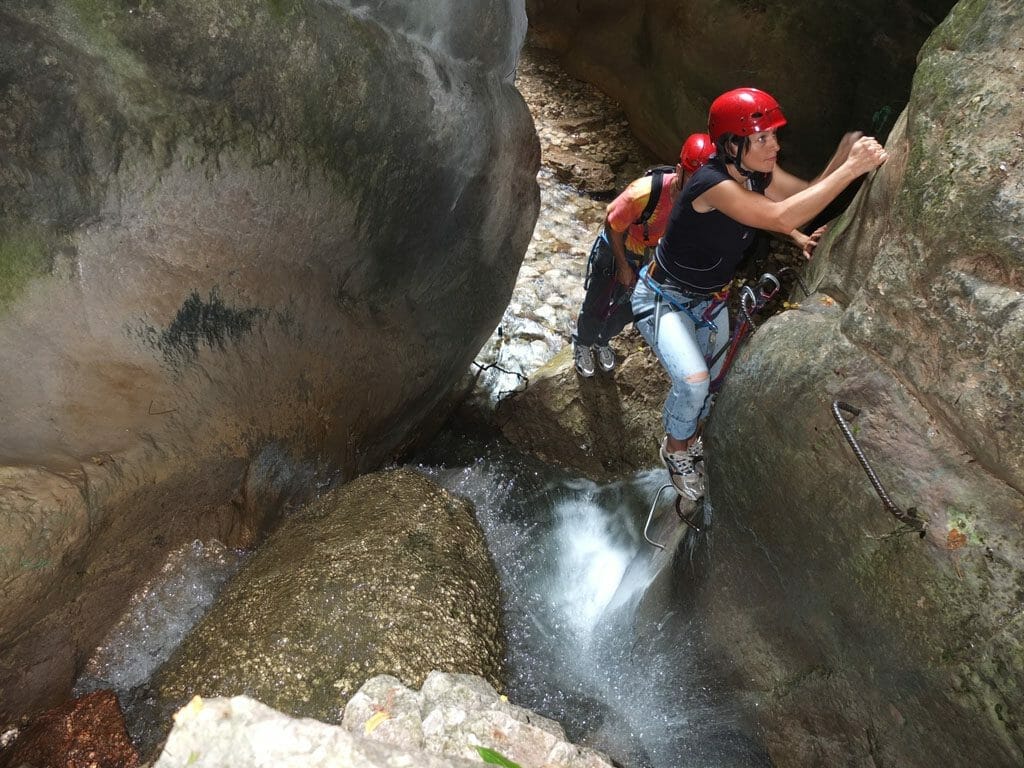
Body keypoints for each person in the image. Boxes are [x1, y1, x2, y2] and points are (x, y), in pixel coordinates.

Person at [631, 87, 887, 500]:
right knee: (695, 382)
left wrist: (841, 160)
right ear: (732, 144)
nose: (775, 145)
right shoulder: (711, 184)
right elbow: (778, 213)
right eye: (763, 138)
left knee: (714, 385)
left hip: (710, 300)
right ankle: (676, 447)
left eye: (773, 135)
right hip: (664, 298)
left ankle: (692, 432)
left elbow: (801, 198)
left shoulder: (755, 174)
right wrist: (851, 169)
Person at [572, 134, 716, 377]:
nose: (698, 189)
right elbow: (612, 223)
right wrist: (622, 266)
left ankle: (602, 340)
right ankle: (583, 343)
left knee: (631, 308)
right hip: (617, 250)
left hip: (651, 257)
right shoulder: (643, 193)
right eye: (693, 179)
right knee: (597, 302)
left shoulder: (707, 202)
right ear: (680, 172)